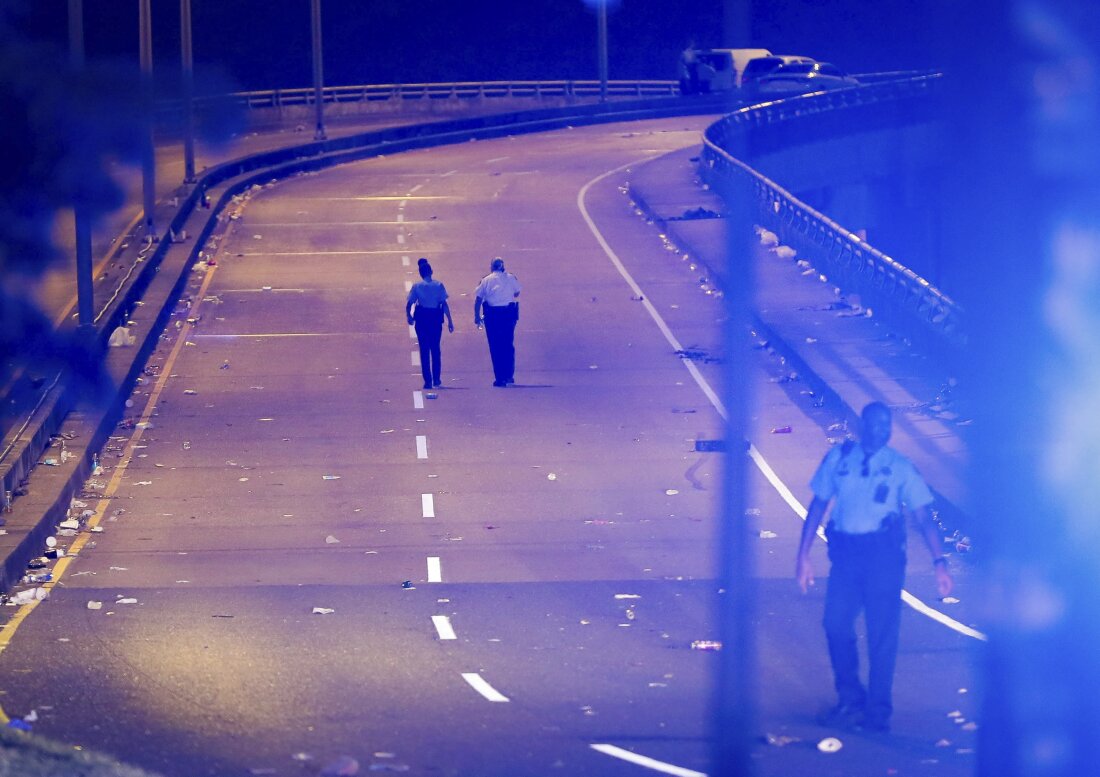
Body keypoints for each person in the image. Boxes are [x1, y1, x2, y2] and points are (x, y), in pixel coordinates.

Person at [795, 402, 953, 733]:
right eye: (875, 424)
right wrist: (803, 556)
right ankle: (851, 697)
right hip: (846, 557)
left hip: (884, 559)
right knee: (835, 624)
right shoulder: (839, 459)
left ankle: (878, 711)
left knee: (882, 635)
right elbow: (818, 504)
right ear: (862, 425)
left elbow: (924, 516)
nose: (881, 431)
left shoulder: (900, 467)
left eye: (886, 425)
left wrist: (940, 562)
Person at [473, 257, 521, 387]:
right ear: (503, 267)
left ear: (492, 267)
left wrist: (477, 316)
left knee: (495, 346)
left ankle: (500, 377)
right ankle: (509, 375)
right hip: (508, 315)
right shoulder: (510, 278)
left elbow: (478, 299)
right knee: (508, 344)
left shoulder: (485, 280)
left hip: (492, 316)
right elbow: (517, 293)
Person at [406, 258, 453, 390]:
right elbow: (444, 304)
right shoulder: (439, 285)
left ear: (420, 274)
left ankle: (428, 381)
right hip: (435, 319)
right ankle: (437, 379)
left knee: (424, 349)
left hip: (422, 319)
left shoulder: (417, 287)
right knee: (435, 348)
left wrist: (409, 316)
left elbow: (409, 304)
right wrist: (450, 320)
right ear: (431, 272)